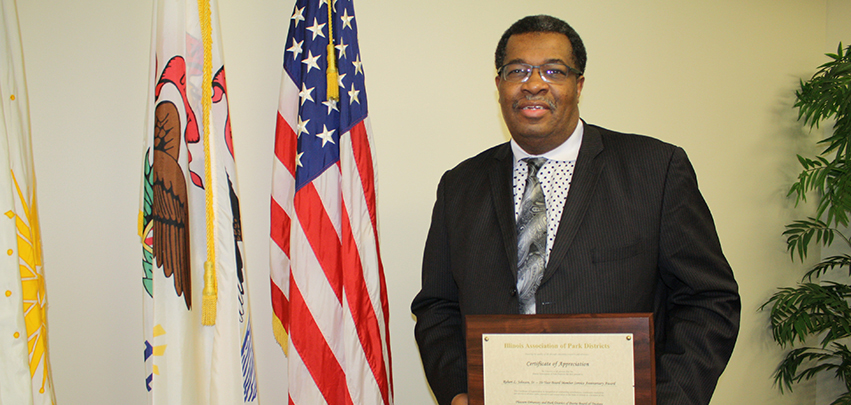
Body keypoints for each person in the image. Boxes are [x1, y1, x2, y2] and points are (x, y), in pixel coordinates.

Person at [411, 14, 741, 405]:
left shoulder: (656, 169)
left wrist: (669, 398)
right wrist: (458, 392)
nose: (534, 84)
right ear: (499, 85)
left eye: (554, 71)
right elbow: (437, 307)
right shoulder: (459, 186)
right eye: (518, 70)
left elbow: (708, 299)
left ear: (578, 85)